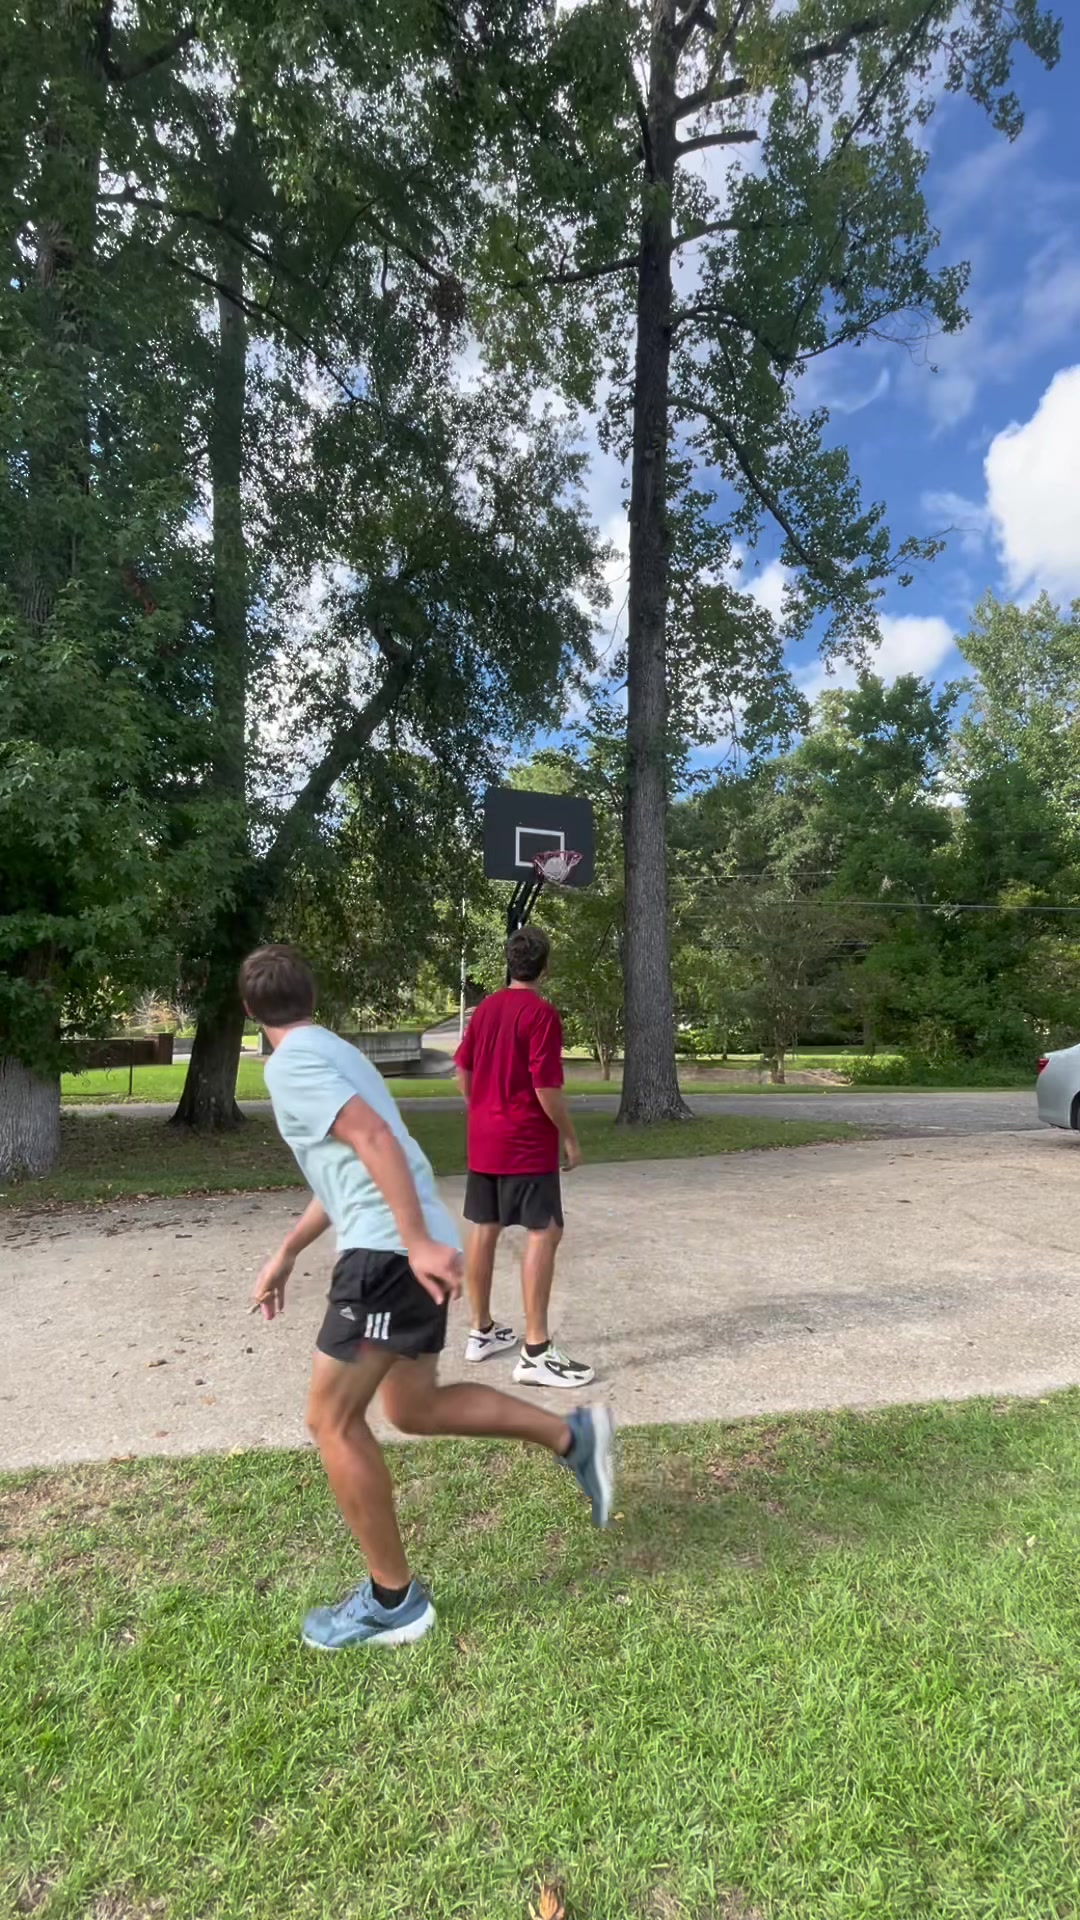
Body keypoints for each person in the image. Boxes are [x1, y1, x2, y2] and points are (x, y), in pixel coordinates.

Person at [242, 943, 615, 1654]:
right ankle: (574, 1438)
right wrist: (288, 1252)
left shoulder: (289, 1065)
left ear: (248, 1011)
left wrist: (412, 1242)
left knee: (330, 1421)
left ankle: (394, 1602)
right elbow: (349, 1167)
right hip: (402, 1244)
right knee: (413, 1408)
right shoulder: (334, 1052)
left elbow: (374, 1140)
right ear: (311, 999)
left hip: (388, 1255)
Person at [455, 925, 593, 1389]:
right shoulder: (541, 1014)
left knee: (485, 1227)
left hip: (484, 1138)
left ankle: (481, 1332)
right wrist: (570, 1137)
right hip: (525, 1142)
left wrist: (481, 1109)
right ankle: (535, 1351)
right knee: (545, 1231)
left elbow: (462, 1070)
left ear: (509, 964)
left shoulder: (485, 1009)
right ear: (545, 968)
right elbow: (545, 1086)